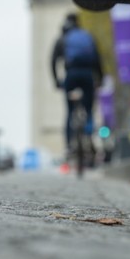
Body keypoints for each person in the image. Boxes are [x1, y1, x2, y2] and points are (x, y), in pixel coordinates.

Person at [51, 13, 103, 155]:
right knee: (88, 109)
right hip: (87, 75)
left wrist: (56, 80)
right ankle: (89, 134)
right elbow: (98, 60)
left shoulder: (62, 38)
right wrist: (100, 79)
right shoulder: (87, 36)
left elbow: (53, 61)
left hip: (71, 75)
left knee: (69, 111)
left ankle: (69, 145)